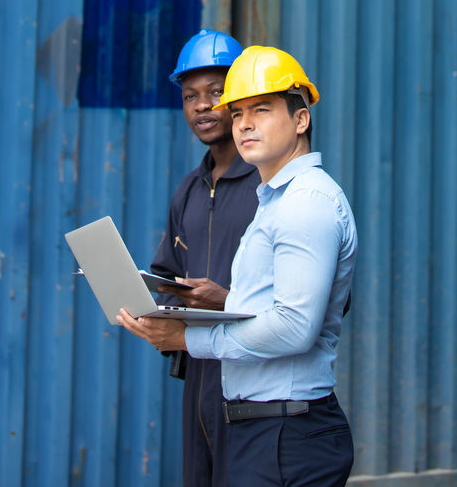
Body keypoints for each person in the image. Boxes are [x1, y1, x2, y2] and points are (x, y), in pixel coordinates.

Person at [120, 45, 357, 487]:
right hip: (263, 427)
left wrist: (189, 338)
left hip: (286, 432)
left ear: (301, 119)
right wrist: (217, 301)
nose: (244, 122)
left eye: (262, 109)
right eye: (239, 112)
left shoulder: (306, 203)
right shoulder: (274, 201)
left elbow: (294, 327)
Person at [151, 29, 260, 487]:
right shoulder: (190, 191)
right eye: (190, 95)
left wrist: (227, 299)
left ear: (239, 99)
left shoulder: (268, 185)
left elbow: (311, 305)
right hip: (198, 387)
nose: (201, 106)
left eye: (216, 92)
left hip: (256, 392)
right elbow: (166, 276)